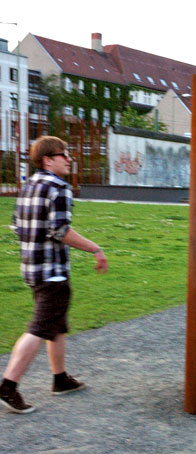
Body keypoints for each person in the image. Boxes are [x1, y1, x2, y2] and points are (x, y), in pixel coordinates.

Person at [0, 136, 108, 415]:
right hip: (53, 273)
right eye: (64, 155)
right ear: (48, 160)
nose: (69, 159)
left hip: (32, 269)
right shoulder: (59, 188)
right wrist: (96, 249)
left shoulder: (29, 186)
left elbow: (16, 225)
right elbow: (61, 231)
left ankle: (60, 379)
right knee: (39, 328)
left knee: (56, 324)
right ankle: (8, 386)